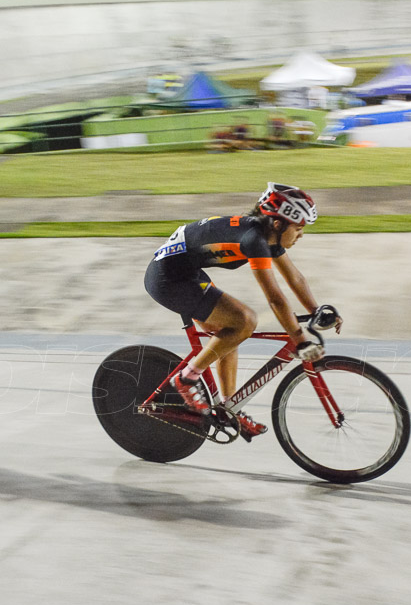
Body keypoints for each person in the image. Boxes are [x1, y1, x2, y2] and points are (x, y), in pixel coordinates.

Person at [145, 183, 342, 441]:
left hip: (185, 272)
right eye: (299, 228)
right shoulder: (254, 240)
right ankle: (187, 379)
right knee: (244, 320)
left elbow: (295, 278)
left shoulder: (267, 234)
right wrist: (300, 338)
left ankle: (228, 410)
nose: (301, 235)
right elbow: (275, 298)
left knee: (231, 331)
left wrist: (316, 310)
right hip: (168, 279)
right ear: (279, 224)